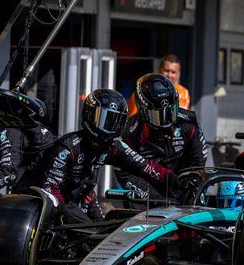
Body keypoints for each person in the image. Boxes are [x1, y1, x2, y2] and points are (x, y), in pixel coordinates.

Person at [20, 89, 179, 223]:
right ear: (89, 114)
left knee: (105, 230)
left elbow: (145, 167)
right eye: (102, 119)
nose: (107, 127)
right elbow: (50, 189)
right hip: (37, 201)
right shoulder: (68, 147)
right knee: (90, 233)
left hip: (82, 197)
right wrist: (76, 219)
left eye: (113, 121)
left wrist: (175, 182)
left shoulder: (114, 146)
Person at [119, 73, 207, 197]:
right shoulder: (129, 133)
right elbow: (125, 174)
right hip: (147, 196)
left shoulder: (189, 122)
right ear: (143, 110)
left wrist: (187, 187)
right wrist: (155, 198)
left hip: (181, 189)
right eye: (158, 115)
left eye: (171, 111)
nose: (166, 120)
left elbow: (198, 159)